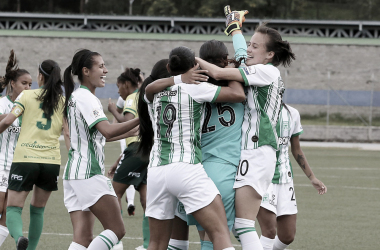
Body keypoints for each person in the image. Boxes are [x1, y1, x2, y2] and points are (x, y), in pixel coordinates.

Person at [195, 11, 295, 248]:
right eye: (250, 43)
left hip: (258, 150)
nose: (249, 49)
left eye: (256, 46)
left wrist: (190, 60)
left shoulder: (266, 71)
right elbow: (241, 56)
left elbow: (219, 73)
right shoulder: (259, 68)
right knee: (243, 224)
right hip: (256, 151)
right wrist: (236, 29)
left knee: (244, 224)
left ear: (270, 54)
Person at [140, 46, 245, 250]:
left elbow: (148, 89)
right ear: (194, 67)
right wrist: (225, 69)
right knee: (219, 232)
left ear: (169, 67)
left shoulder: (157, 91)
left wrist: (178, 79)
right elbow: (237, 94)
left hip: (156, 172)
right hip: (185, 167)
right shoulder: (196, 87)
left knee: (156, 243)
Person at [62, 49, 139, 250]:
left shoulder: (77, 96)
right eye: (101, 66)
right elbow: (107, 131)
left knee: (83, 238)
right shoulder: (86, 97)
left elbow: (99, 136)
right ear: (86, 71)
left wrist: (134, 130)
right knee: (117, 230)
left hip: (74, 173)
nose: (106, 70)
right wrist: (141, 118)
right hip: (88, 172)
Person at [0, 57, 68, 250]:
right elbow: (68, 132)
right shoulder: (62, 100)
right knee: (38, 210)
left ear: (40, 76)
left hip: (25, 159)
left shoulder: (27, 96)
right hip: (51, 162)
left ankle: (20, 237)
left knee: (13, 208)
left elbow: (6, 122)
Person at [257, 103, 327, 250]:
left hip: (285, 180)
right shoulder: (254, 109)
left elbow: (296, 149)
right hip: (262, 178)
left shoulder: (292, 113)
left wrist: (312, 177)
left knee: (287, 236)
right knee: (269, 231)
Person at [107, 67, 150, 250]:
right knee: (147, 200)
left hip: (137, 149)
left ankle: (115, 240)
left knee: (113, 192)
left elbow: (127, 122)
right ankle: (150, 243)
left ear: (126, 84)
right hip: (149, 150)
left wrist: (112, 111)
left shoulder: (133, 97)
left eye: (119, 86)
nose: (118, 91)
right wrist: (119, 160)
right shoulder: (146, 97)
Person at [0, 50, 32, 248]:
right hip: (1, 162)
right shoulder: (3, 104)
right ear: (12, 83)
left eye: (30, 84)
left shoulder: (29, 107)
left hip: (19, 167)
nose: (28, 87)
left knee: (7, 214)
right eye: (24, 83)